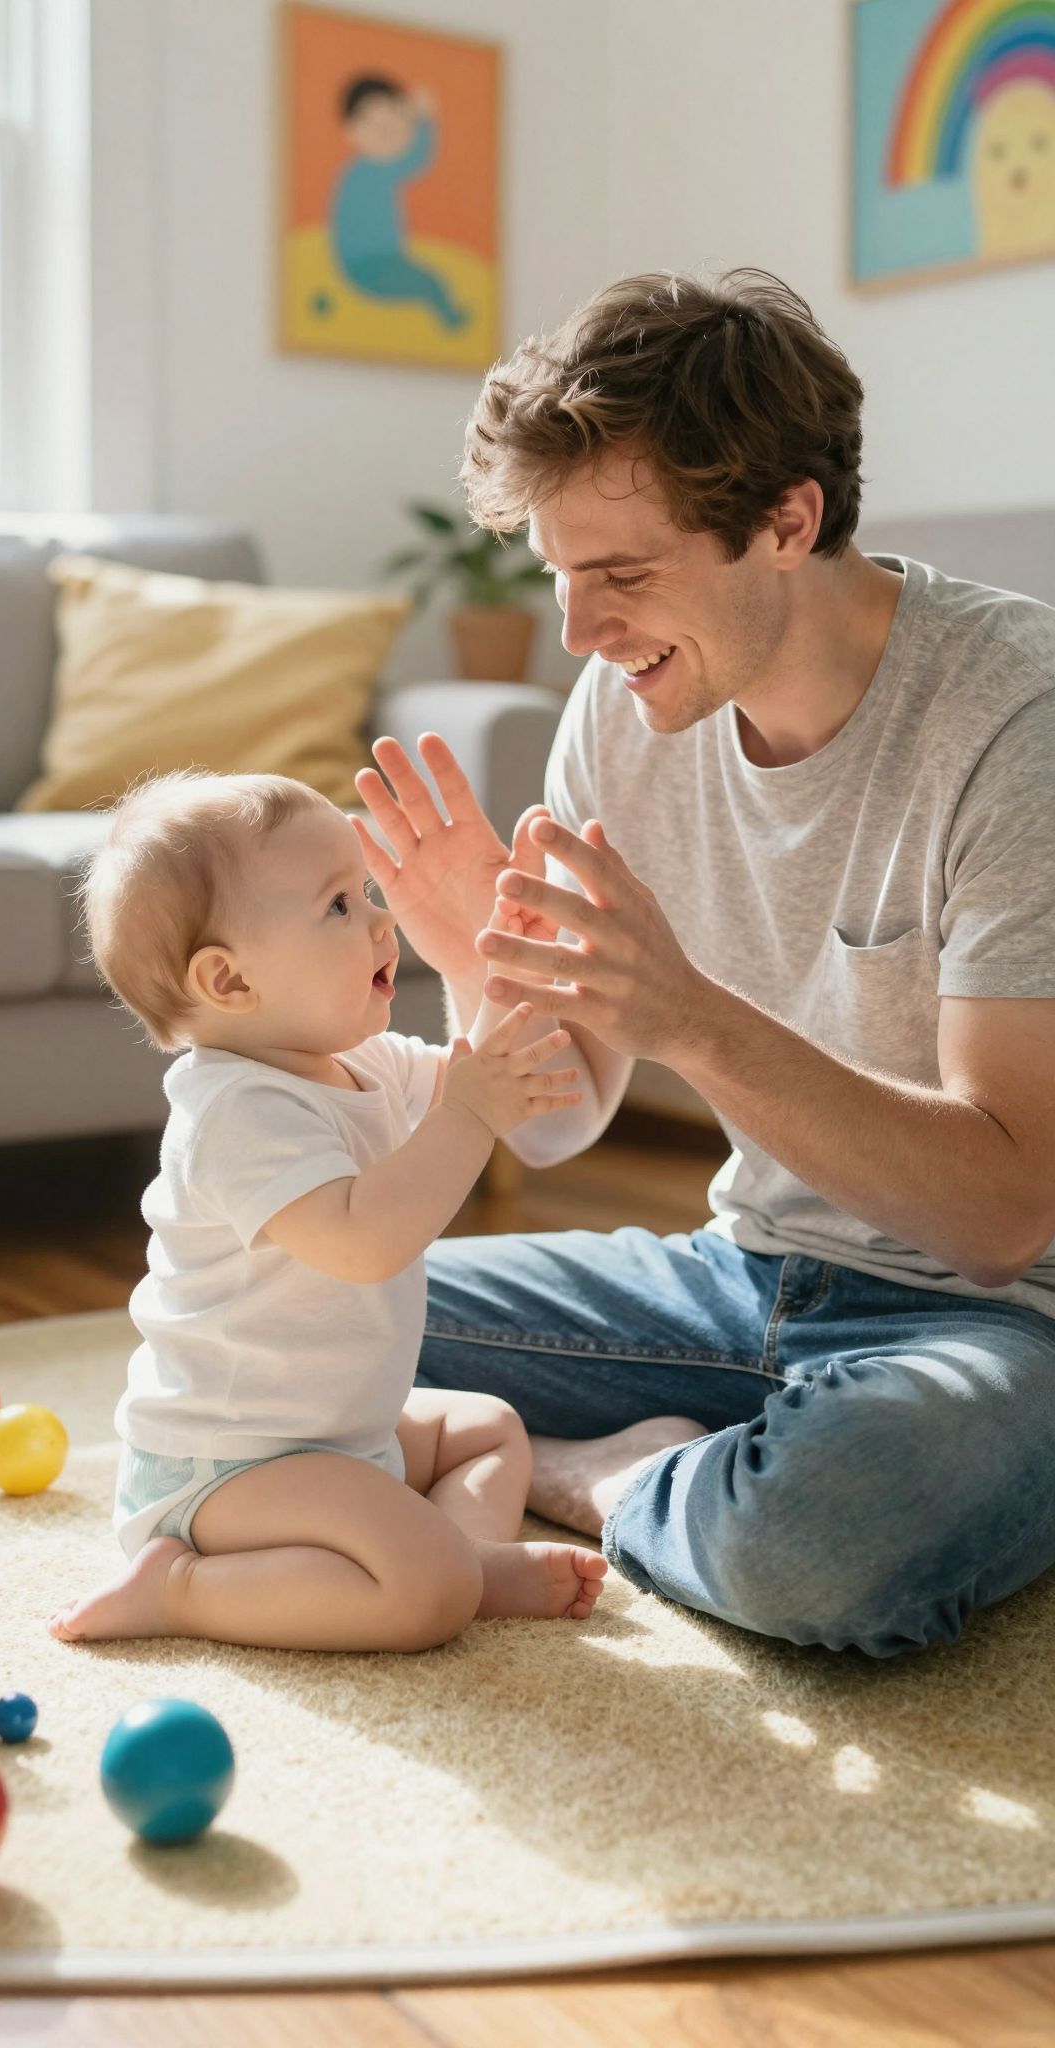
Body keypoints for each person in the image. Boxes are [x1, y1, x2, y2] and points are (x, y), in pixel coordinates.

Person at [351, 266, 1055, 1662]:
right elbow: (557, 1124)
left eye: (622, 576)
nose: (579, 634)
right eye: (559, 577)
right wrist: (478, 964)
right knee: (310, 1306)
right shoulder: (623, 711)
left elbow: (1004, 1216)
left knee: (815, 1545)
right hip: (742, 1277)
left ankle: (608, 1478)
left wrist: (692, 1018)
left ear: (787, 521)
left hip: (1002, 1321)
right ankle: (715, 1466)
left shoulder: (1013, 720)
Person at [46, 770, 607, 1655]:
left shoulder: (361, 1062)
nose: (381, 920)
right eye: (339, 905)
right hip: (229, 1468)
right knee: (421, 1593)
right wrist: (469, 1114)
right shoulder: (233, 1112)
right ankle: (179, 1587)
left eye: (366, 891)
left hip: (343, 1436)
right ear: (229, 979)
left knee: (488, 1430)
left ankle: (468, 1562)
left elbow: (484, 1070)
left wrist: (502, 972)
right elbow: (362, 1241)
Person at [331, 77, 468, 330]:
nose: (388, 136)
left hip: (380, 260)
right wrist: (425, 121)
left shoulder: (363, 170)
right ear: (352, 131)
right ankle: (450, 318)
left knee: (429, 282)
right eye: (380, 129)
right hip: (372, 263)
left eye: (393, 128)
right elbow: (417, 158)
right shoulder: (369, 170)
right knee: (431, 284)